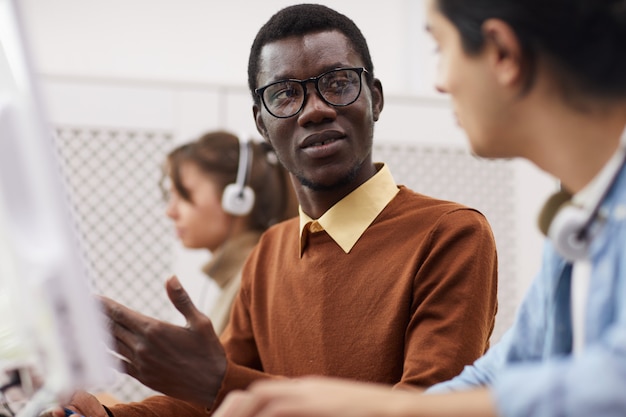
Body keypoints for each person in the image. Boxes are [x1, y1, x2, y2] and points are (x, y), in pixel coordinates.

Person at [53, 4, 498, 417]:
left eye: (338, 83)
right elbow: (210, 405)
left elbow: (426, 409)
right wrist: (105, 415)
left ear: (375, 98)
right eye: (285, 95)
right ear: (262, 123)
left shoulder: (451, 235)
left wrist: (215, 382)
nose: (315, 109)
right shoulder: (270, 252)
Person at [210, 0, 626, 416]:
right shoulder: (579, 226)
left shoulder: (453, 231)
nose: (440, 83)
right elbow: (499, 373)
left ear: (501, 52)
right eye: (286, 94)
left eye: (440, 48)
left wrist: (381, 409)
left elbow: (612, 380)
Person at [162, 130, 297, 335]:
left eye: (183, 194)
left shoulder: (255, 281)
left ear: (236, 200)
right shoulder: (242, 278)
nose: (170, 212)